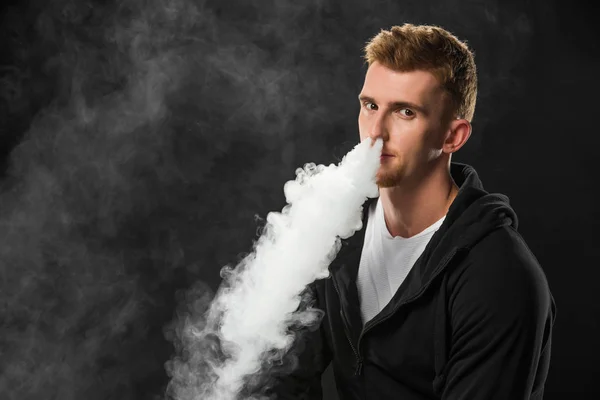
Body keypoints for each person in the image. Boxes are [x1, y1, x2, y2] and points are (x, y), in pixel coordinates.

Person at [265, 23, 556, 399]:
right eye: (370, 106)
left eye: (405, 112)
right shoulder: (334, 229)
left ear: (453, 136)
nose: (375, 132)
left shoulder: (498, 276)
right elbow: (279, 378)